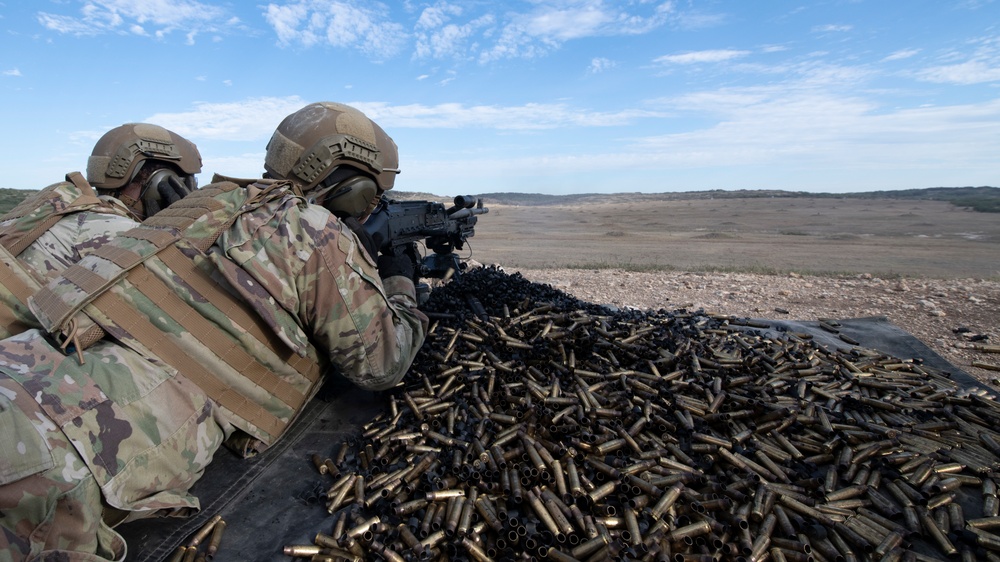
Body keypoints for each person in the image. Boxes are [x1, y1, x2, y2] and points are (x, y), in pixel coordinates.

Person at [0, 102, 427, 562]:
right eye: (369, 197)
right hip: (66, 446)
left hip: (23, 370)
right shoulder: (314, 230)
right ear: (351, 184)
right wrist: (399, 282)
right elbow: (383, 363)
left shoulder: (189, 212)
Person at [0, 123, 202, 338]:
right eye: (189, 183)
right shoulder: (120, 233)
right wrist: (192, 229)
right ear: (160, 182)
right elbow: (192, 302)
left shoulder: (61, 211)